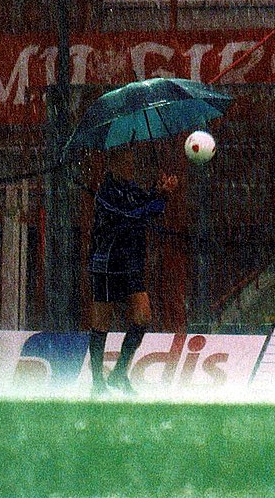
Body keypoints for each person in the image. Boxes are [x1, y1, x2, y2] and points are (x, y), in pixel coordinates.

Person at [87, 147, 179, 397]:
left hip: (131, 261)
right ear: (113, 165)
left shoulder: (131, 188)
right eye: (126, 163)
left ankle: (118, 373)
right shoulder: (105, 193)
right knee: (101, 321)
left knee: (143, 316)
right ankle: (97, 383)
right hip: (106, 262)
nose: (131, 168)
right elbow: (132, 214)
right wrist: (155, 200)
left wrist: (162, 193)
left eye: (131, 162)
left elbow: (150, 207)